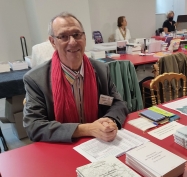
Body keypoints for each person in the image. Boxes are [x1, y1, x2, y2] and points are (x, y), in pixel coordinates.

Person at [23, 12, 128, 142]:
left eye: (77, 35)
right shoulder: (36, 79)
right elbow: (34, 126)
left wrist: (110, 121)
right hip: (63, 146)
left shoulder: (101, 70)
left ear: (84, 38)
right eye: (63, 36)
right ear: (53, 42)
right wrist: (86, 129)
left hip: (100, 143)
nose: (72, 42)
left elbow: (118, 103)